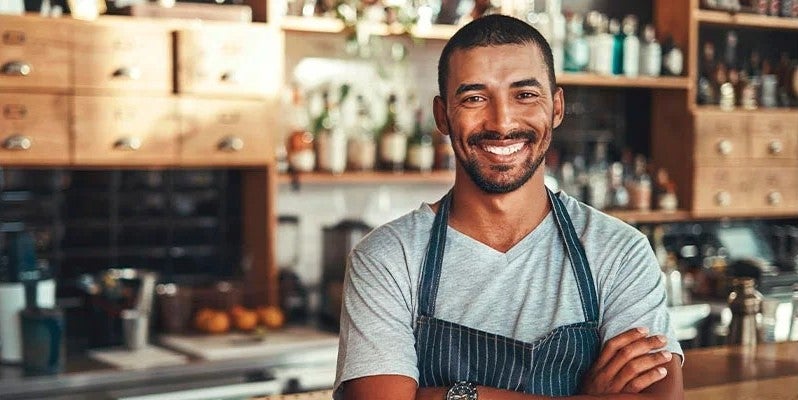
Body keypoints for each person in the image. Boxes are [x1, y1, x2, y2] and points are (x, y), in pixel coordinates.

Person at [334, 14, 683, 400]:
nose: (501, 123)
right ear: (442, 116)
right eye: (474, 98)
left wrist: (449, 395)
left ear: (557, 107)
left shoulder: (619, 252)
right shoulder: (387, 259)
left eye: (525, 95)